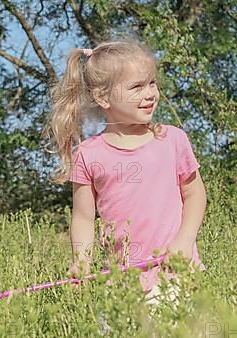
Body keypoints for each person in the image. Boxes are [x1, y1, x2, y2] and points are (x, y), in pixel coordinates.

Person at [42, 40, 207, 307]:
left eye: (152, 83)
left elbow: (195, 193)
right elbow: (83, 218)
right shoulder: (89, 154)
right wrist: (81, 262)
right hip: (119, 283)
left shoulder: (172, 140)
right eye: (136, 87)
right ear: (103, 97)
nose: (150, 93)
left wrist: (185, 239)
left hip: (175, 273)